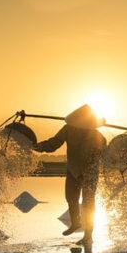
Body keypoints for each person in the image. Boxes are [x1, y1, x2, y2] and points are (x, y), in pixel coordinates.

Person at [34, 105, 106, 245]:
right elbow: (53, 143)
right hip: (73, 169)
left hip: (90, 172)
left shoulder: (97, 135)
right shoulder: (67, 129)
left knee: (88, 203)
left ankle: (88, 235)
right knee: (70, 197)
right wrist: (38, 146)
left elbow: (105, 152)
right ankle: (75, 223)